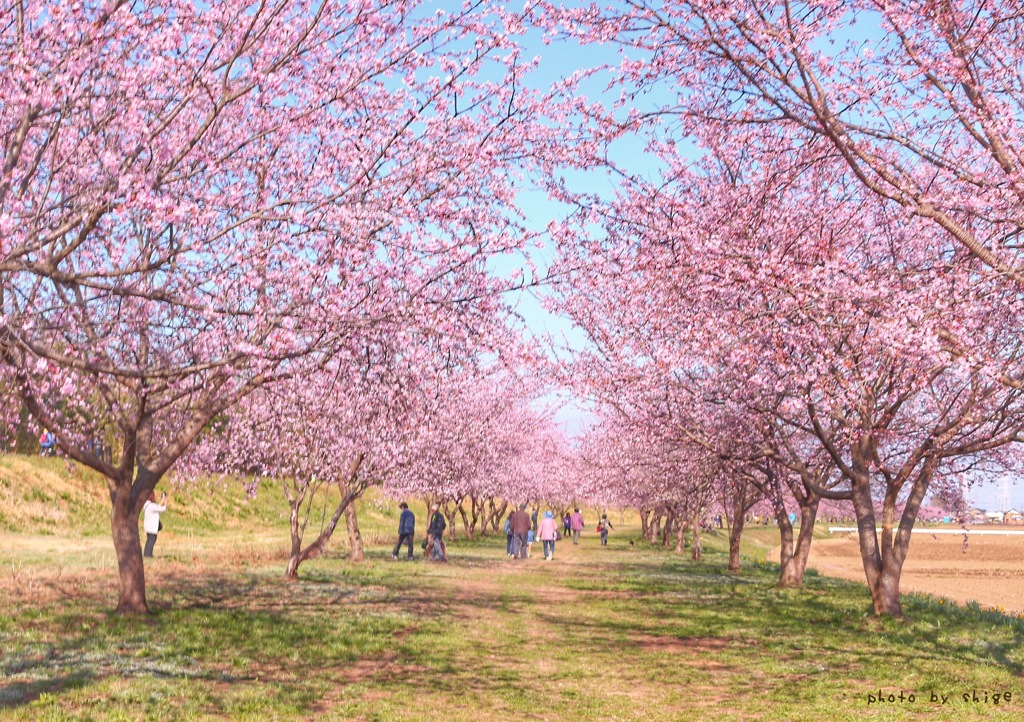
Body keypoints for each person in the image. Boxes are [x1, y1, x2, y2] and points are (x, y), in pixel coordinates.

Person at [142, 491, 168, 558]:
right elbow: (163, 509)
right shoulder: (152, 506)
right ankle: (148, 554)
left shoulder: (146, 504)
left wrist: (161, 502)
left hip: (148, 526)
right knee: (152, 539)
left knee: (149, 539)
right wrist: (165, 503)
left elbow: (156, 508)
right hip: (152, 526)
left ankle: (147, 553)